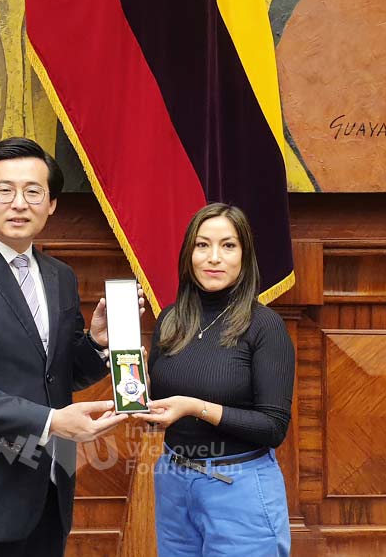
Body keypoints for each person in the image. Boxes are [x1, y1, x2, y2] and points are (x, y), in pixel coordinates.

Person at [0, 136, 140, 557]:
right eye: (5, 190)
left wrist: (96, 343)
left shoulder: (60, 276)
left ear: (51, 204)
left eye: (33, 192)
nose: (19, 203)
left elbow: (58, 375)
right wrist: (53, 422)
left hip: (50, 496)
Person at [133, 203, 295, 557]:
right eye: (202, 245)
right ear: (188, 255)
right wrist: (132, 379)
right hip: (174, 483)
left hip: (239, 488)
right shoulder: (170, 320)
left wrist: (195, 407)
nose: (214, 257)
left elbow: (273, 427)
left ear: (244, 256)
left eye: (228, 245)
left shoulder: (265, 326)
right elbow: (159, 413)